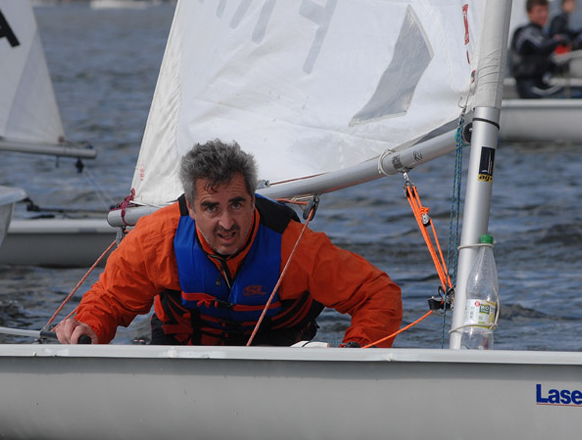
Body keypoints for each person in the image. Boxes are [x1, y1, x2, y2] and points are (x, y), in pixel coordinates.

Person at [55, 139, 403, 347]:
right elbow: (111, 300)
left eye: (237, 204)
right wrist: (88, 327)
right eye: (211, 207)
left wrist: (353, 351)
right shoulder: (155, 241)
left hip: (274, 358)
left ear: (254, 201)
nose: (226, 222)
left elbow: (378, 294)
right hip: (182, 355)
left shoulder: (292, 246)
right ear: (190, 207)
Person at [510, 0, 570, 99]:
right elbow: (542, 47)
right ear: (529, 13)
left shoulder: (541, 33)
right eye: (539, 11)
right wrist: (559, 40)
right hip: (529, 87)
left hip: (539, 83)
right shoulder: (527, 33)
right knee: (570, 95)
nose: (543, 15)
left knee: (580, 90)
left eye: (545, 10)